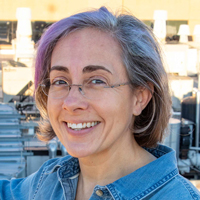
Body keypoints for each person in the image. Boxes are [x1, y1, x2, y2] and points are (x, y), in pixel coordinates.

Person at [1, 6, 200, 200]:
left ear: (139, 97)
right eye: (60, 81)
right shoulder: (48, 182)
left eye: (97, 81)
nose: (71, 103)